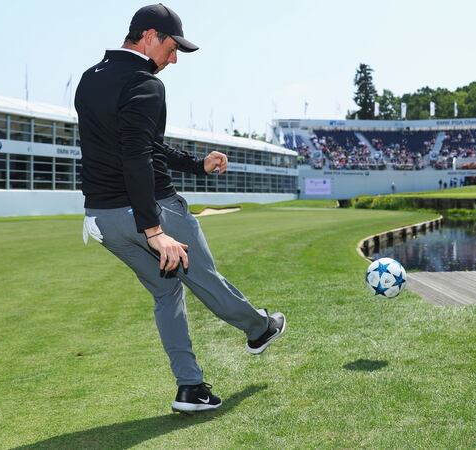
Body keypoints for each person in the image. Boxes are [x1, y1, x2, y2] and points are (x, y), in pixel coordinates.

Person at [74, 4, 286, 413]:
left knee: (166, 291)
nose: (173, 60)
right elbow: (137, 156)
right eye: (172, 49)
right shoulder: (145, 83)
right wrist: (154, 230)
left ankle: (190, 389)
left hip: (101, 220)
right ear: (149, 36)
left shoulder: (90, 78)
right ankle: (260, 329)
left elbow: (142, 145)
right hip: (152, 211)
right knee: (206, 278)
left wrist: (196, 165)